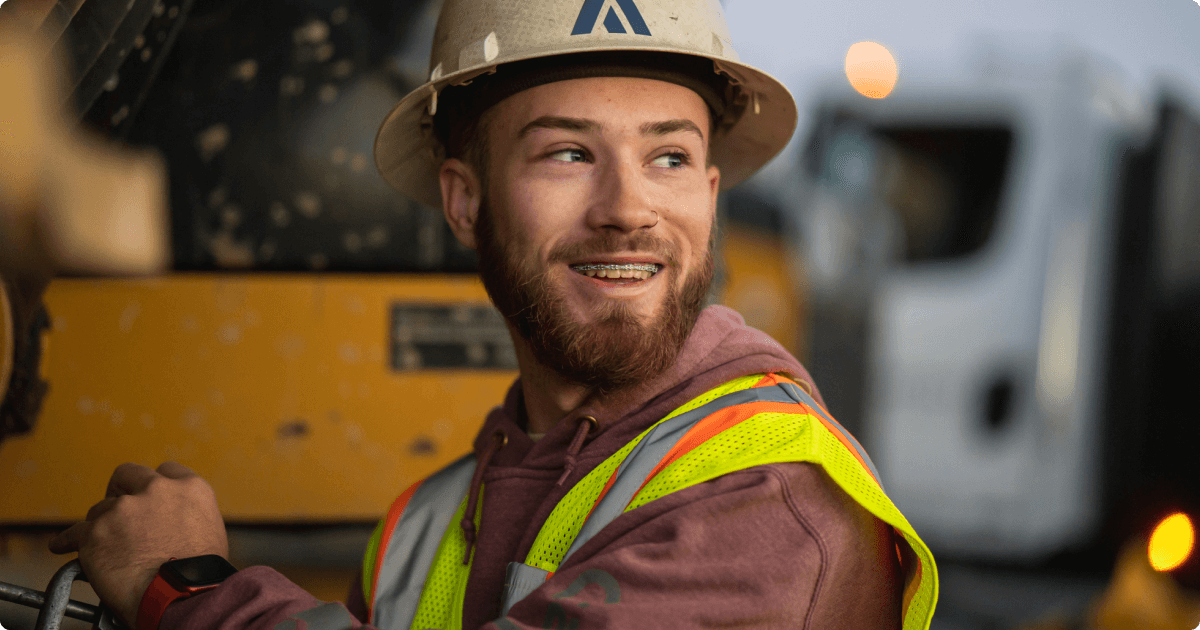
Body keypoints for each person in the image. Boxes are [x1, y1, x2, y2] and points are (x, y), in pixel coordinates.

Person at [49, 0, 939, 628]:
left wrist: (192, 590)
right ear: (464, 200)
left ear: (711, 193)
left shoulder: (767, 502)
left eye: (669, 158)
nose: (629, 208)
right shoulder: (423, 527)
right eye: (567, 152)